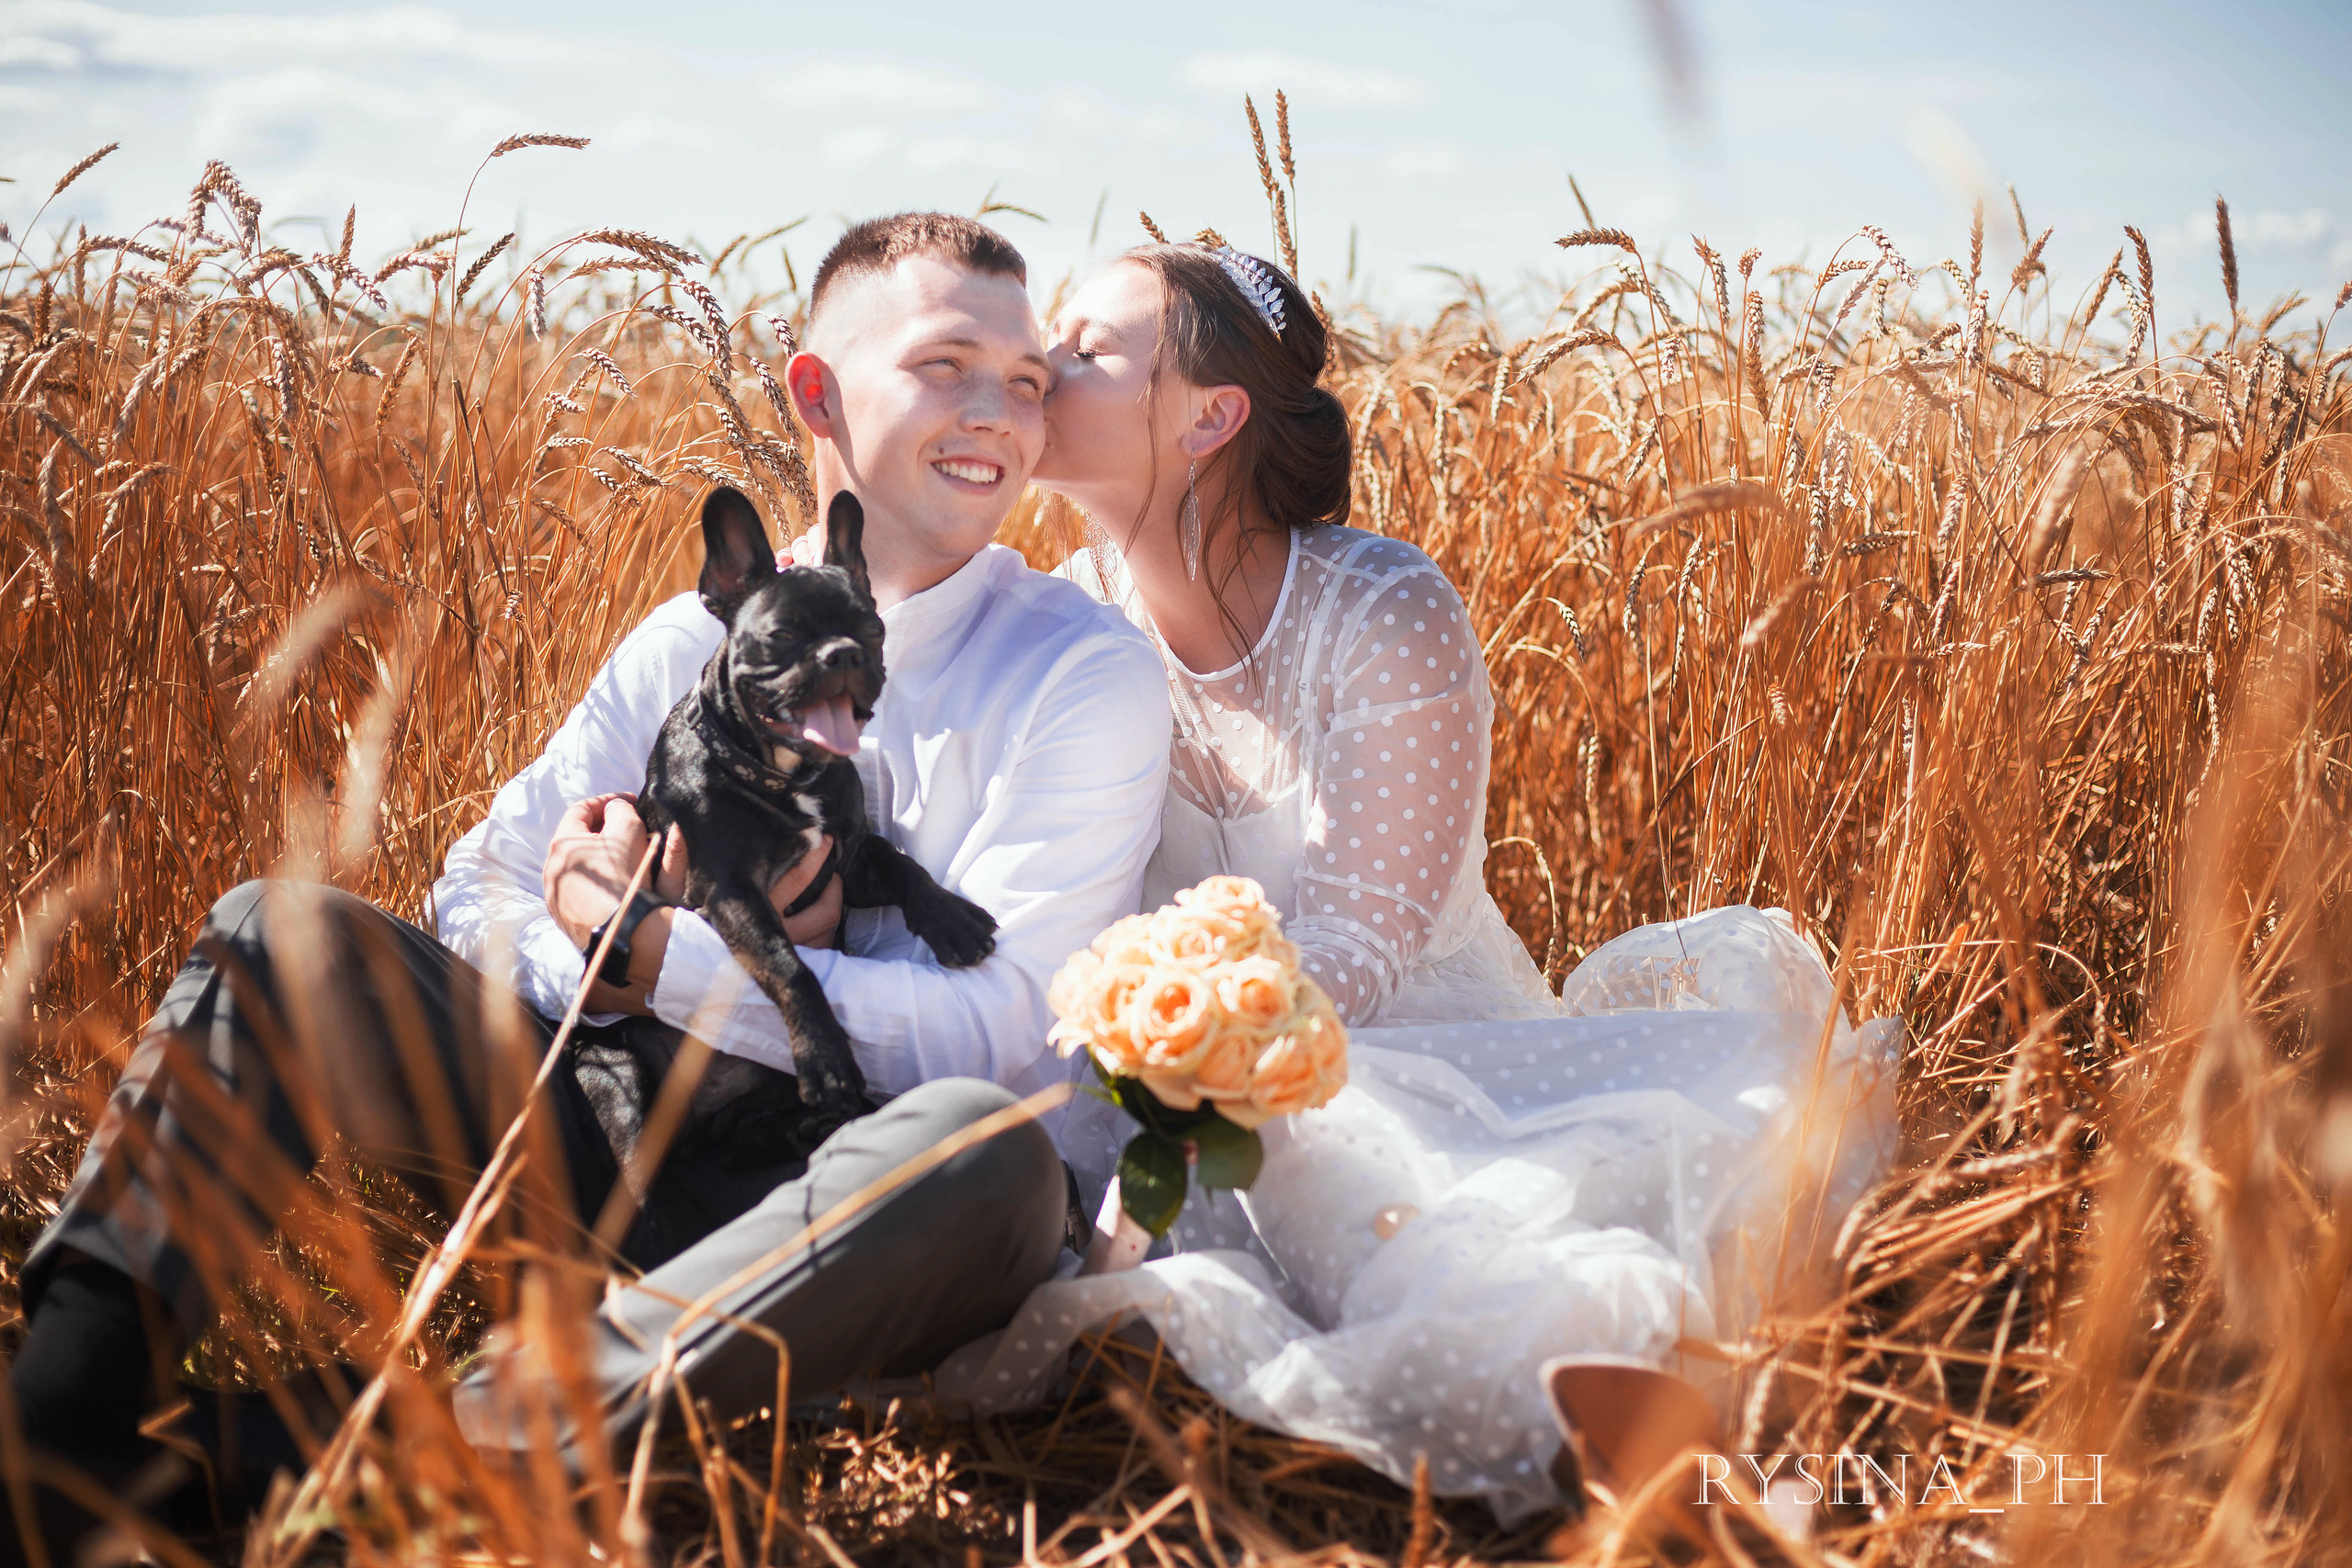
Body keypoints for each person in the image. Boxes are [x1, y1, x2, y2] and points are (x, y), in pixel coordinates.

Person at [4, 213, 1173, 1556]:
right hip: (583, 1134)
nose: (999, 413)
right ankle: (55, 1426)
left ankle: (299, 1460)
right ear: (816, 393)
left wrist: (660, 955)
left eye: (1027, 381)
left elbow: (1012, 1024)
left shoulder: (1079, 674)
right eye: (946, 364)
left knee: (987, 1151)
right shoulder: (691, 636)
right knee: (282, 933)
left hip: (827, 1212)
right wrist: (581, 946)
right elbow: (481, 885)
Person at [934, 243, 1901, 1524]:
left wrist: (1213, 1058)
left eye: (1087, 346)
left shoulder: (1382, 609)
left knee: (1311, 1139)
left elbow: (1360, 937)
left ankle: (1597, 1411)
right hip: (1174, 1072)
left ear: (1210, 418)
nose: (1037, 370)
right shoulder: (1066, 622)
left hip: (1429, 1056)